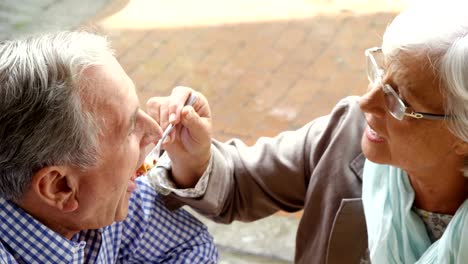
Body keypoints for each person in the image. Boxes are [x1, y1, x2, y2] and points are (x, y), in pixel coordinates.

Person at [146, 1, 468, 263]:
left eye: (398, 100)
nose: (367, 102)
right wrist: (194, 157)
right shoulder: (345, 134)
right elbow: (239, 182)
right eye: (380, 71)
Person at [0, 31, 218, 263]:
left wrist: (192, 163)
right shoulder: (102, 192)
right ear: (60, 187)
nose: (155, 132)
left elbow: (192, 245)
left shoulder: (102, 193)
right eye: (129, 128)